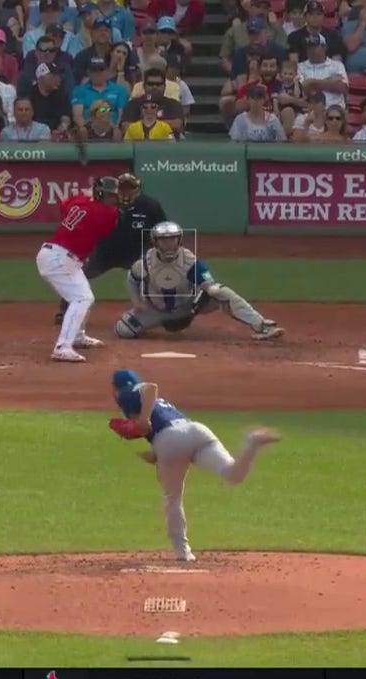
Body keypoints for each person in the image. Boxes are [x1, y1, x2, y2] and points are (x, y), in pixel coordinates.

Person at [109, 368, 282, 562]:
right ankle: (252, 442)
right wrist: (156, 453)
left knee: (173, 498)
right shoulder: (159, 404)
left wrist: (144, 419)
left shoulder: (127, 394)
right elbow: (168, 434)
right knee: (233, 474)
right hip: (197, 431)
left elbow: (150, 387)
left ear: (116, 388)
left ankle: (183, 552)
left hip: (169, 439)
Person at [116, 221, 285, 342]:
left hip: (188, 306)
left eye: (172, 239)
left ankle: (261, 325)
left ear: (179, 240)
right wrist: (137, 302)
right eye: (164, 240)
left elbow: (208, 286)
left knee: (220, 291)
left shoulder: (189, 260)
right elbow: (132, 279)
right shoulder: (145, 263)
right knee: (123, 330)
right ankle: (159, 322)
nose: (169, 244)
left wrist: (196, 307)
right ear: (155, 241)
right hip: (156, 310)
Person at [52, 173, 164, 325]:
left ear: (138, 189)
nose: (126, 192)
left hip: (136, 252)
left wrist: (154, 252)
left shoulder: (150, 206)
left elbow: (161, 229)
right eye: (122, 188)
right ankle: (66, 311)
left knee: (153, 277)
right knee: (80, 274)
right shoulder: (106, 203)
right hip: (105, 251)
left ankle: (159, 312)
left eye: (130, 188)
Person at [37, 176, 122, 362]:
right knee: (82, 297)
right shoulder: (107, 213)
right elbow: (107, 229)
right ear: (100, 194)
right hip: (59, 258)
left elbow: (64, 206)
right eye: (109, 196)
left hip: (59, 255)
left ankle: (77, 336)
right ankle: (62, 347)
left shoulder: (80, 201)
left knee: (84, 296)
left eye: (114, 196)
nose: (113, 199)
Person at [296, 34, 347, 111]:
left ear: (325, 47)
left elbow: (342, 88)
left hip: (335, 111)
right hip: (310, 110)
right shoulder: (300, 67)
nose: (311, 50)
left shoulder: (337, 65)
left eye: (314, 47)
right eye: (308, 47)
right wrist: (330, 82)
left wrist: (311, 82)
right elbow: (304, 89)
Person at [27, 61, 72, 137]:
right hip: (34, 135)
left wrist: (62, 128)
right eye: (53, 76)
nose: (58, 79)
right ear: (41, 78)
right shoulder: (29, 95)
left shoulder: (61, 94)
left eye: (59, 76)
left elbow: (65, 116)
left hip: (57, 136)